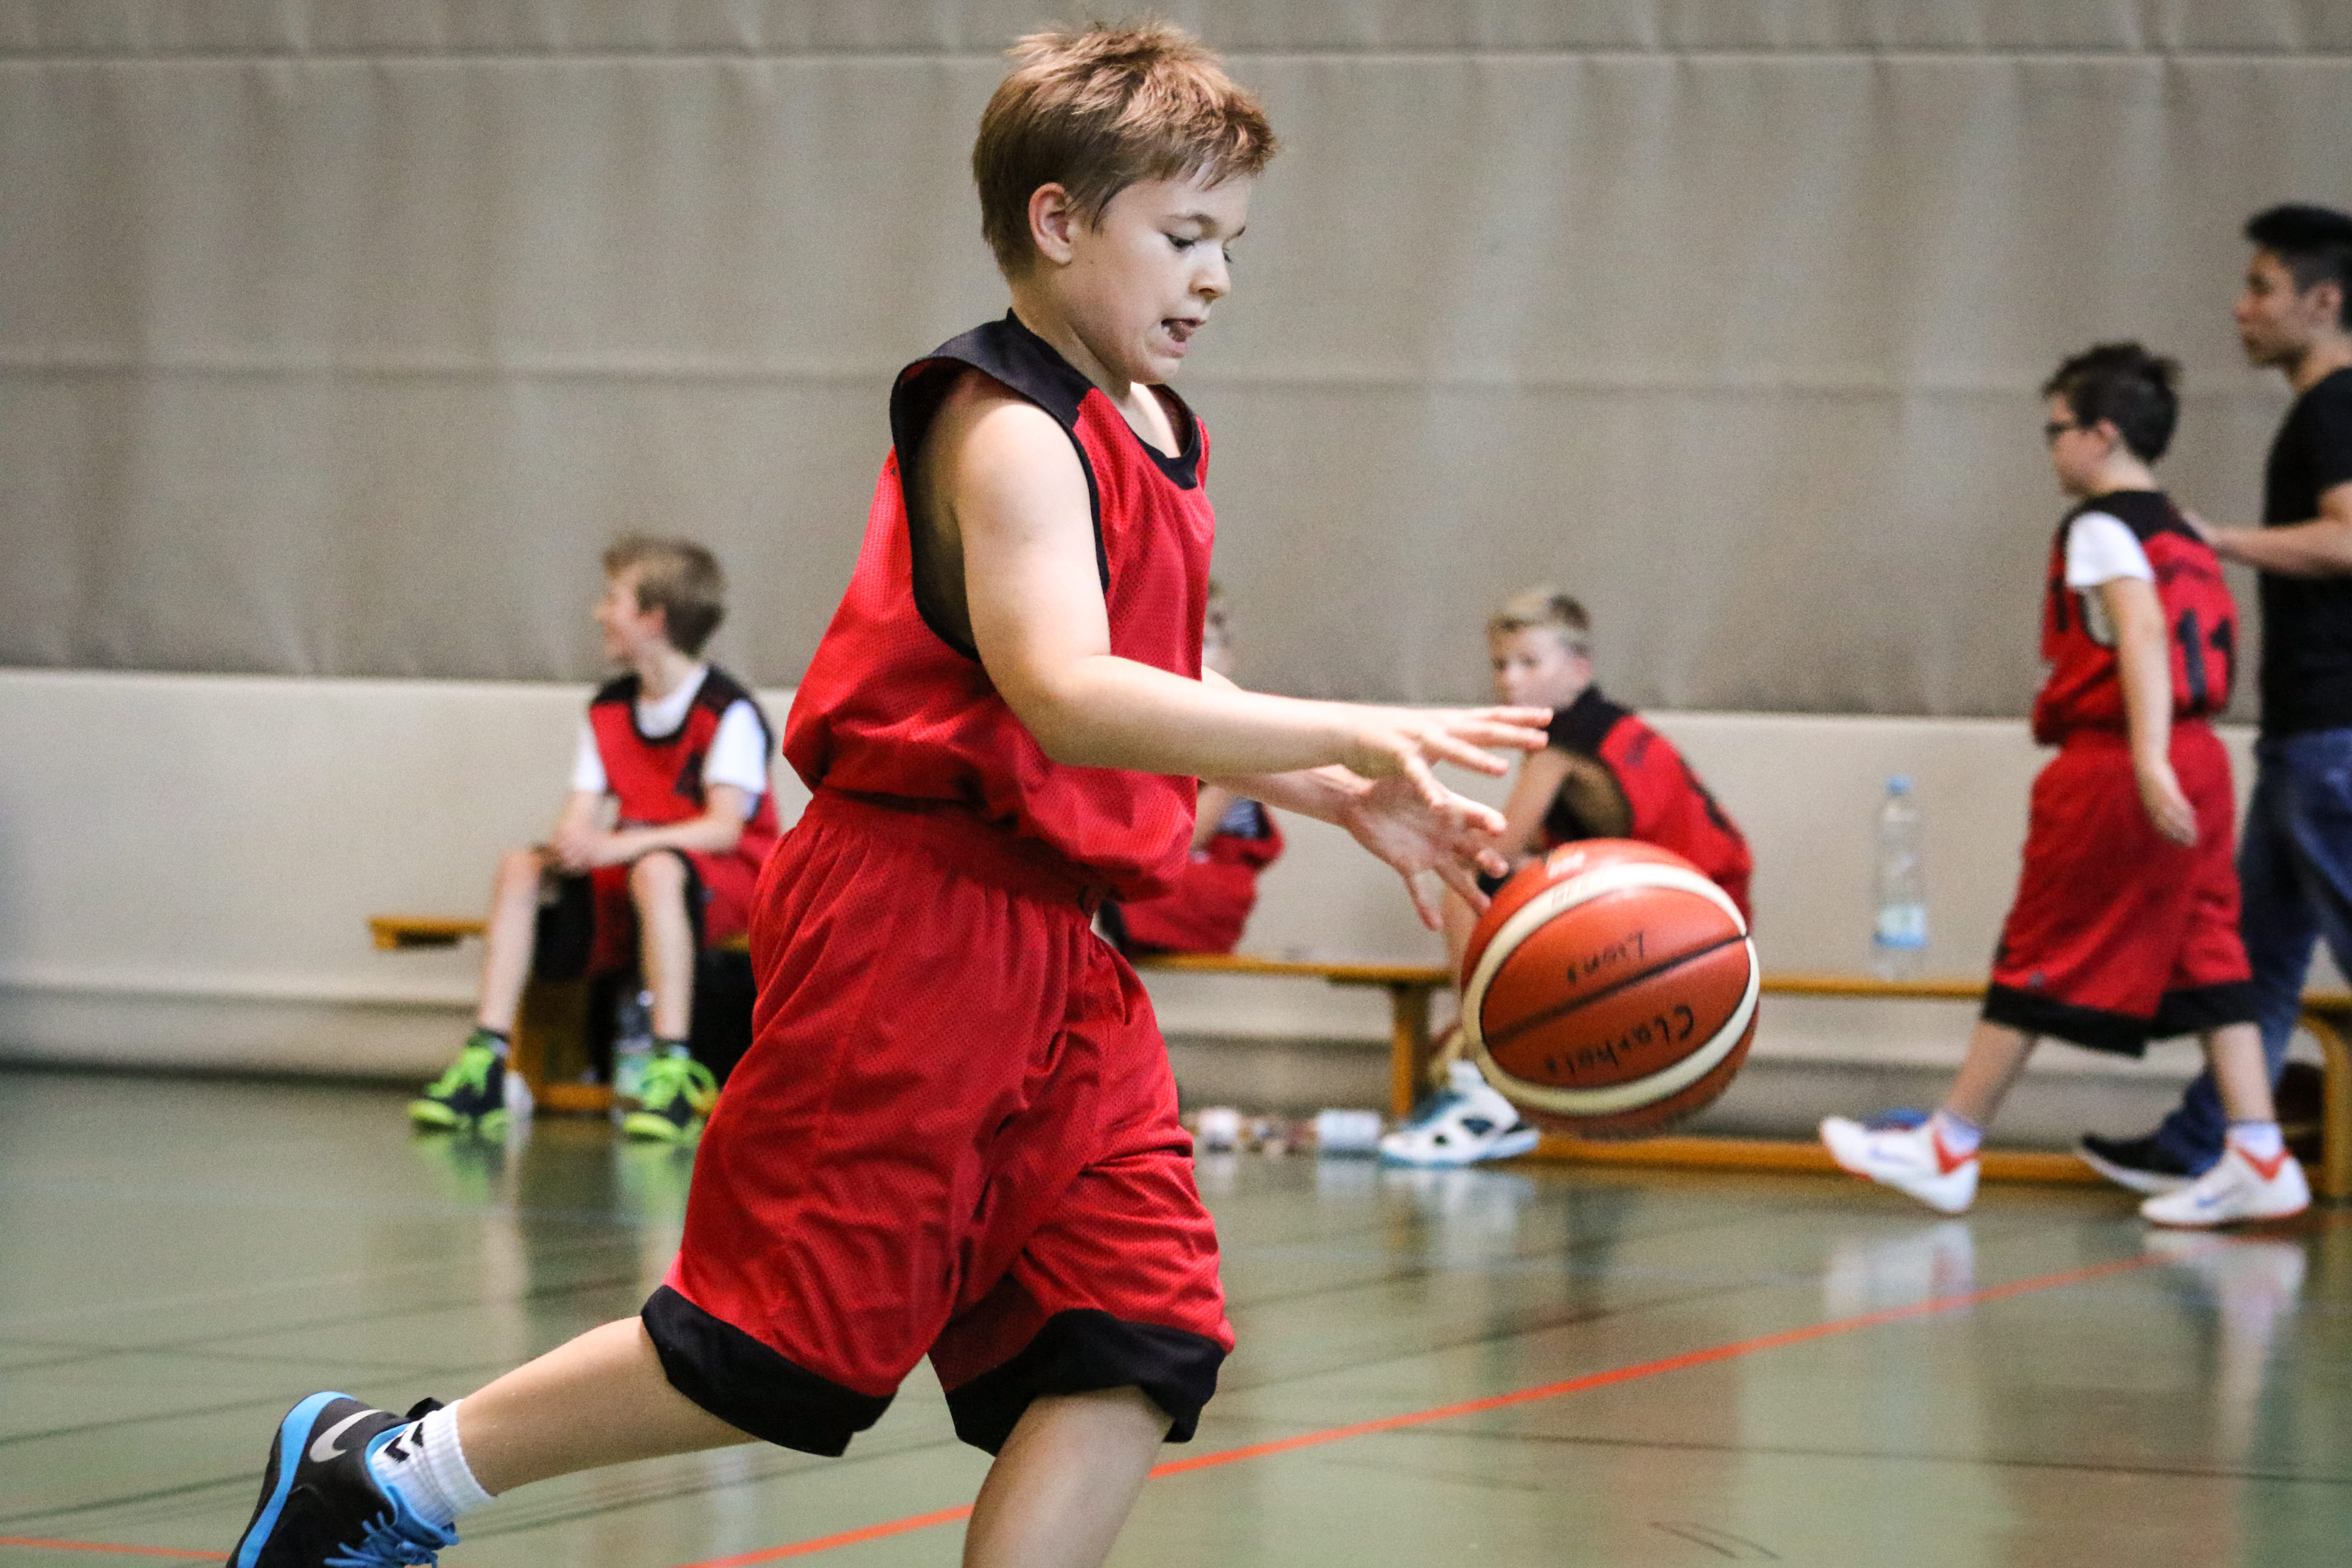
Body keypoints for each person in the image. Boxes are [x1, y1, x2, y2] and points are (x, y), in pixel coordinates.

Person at [226, 25, 1547, 1568]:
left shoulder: (1154, 426)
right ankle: (389, 1477)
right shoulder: (1010, 428)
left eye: (1232, 246)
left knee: (1132, 1335)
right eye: (1186, 237)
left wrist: (1325, 786)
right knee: (779, 1348)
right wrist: (1358, 727)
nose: (1216, 280)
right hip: (912, 924)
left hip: (1061, 949)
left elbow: (1122, 693)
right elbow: (1061, 687)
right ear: (1059, 220)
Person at [1821, 343, 2308, 1225]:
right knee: (2210, 949)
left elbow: (2142, 632)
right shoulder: (2183, 529)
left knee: (2043, 941)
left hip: (2120, 759)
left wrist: (2147, 756)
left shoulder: (2101, 526)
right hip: (2201, 756)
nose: (2049, 449)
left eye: (2057, 431)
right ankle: (2258, 1151)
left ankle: (1949, 1143)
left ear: (2101, 435)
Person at [2078, 205, 2352, 1196]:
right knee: (2254, 957)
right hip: (2302, 735)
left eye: (2262, 289)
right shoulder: (2319, 411)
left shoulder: (2335, 407)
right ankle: (2215, 1145)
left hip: (2332, 734)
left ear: (2323, 302)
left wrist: (2218, 540)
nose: (2242, 308)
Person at [407, 537, 778, 1145]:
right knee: (522, 867)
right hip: (640, 868)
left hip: (727, 875)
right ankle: (486, 1061)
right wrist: (571, 845)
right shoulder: (608, 708)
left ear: (654, 618)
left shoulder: (725, 710)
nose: (599, 613)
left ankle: (672, 1069)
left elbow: (723, 827)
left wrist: (617, 846)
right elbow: (580, 815)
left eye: (613, 600)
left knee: (657, 869)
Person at [1380, 587, 1754, 1165]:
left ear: (1579, 668)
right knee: (1506, 894)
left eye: (1529, 663)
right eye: (1500, 664)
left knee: (1469, 888)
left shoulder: (1562, 742)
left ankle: (1482, 1060)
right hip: (1697, 905)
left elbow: (1498, 850)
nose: (1509, 679)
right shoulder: (1604, 726)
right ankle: (1495, 1053)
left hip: (1680, 913)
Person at [1101, 583, 1285, 955]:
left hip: (1205, 875)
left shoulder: (1237, 726)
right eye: (1177, 640)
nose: (1191, 654)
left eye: (1205, 642)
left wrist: (1235, 767)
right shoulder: (1142, 718)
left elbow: (1187, 839)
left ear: (1228, 657)